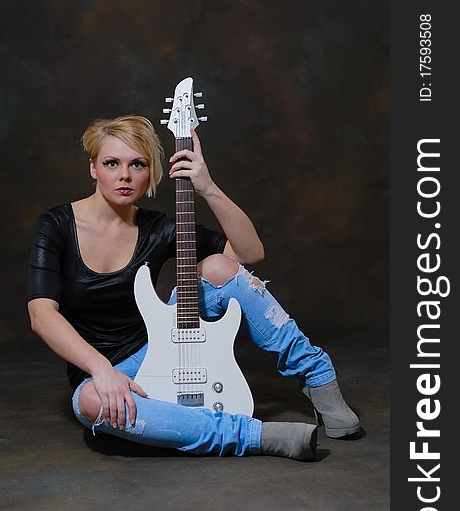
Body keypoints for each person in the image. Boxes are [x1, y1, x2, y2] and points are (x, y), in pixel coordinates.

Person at [27, 115, 360, 462]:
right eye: (112, 163)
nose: (124, 176)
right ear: (93, 167)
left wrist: (208, 187)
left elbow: (249, 253)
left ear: (150, 171)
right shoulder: (56, 225)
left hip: (158, 347)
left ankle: (317, 375)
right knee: (91, 404)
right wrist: (102, 370)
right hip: (99, 367)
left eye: (137, 164)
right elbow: (41, 314)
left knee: (218, 267)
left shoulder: (158, 227)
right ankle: (255, 435)